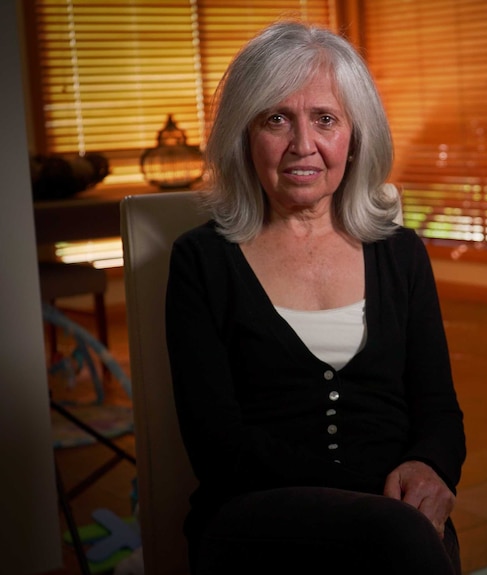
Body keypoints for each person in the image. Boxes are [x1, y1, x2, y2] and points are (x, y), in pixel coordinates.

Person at [164, 21, 466, 575]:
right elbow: (216, 444)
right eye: (276, 119)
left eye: (325, 119)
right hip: (251, 518)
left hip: (395, 521)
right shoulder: (201, 262)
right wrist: (372, 498)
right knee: (399, 539)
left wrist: (430, 466)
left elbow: (438, 409)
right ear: (244, 136)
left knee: (407, 539)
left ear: (354, 138)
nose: (303, 145)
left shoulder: (401, 254)